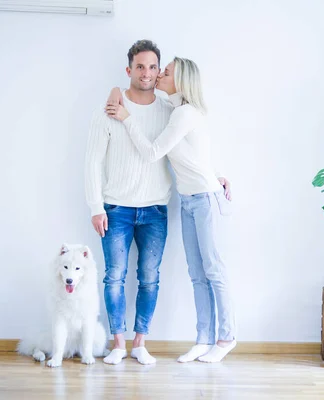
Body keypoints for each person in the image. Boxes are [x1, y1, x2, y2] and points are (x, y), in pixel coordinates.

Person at [85, 40, 230, 366]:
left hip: (155, 209)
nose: (149, 73)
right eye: (141, 67)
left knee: (150, 277)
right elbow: (92, 162)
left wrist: (216, 174)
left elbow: (194, 148)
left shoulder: (171, 109)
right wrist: (95, 206)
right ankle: (118, 344)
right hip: (116, 208)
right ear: (129, 71)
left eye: (155, 68)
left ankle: (140, 344)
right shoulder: (110, 108)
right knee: (115, 277)